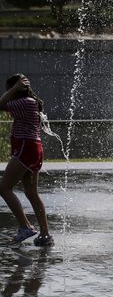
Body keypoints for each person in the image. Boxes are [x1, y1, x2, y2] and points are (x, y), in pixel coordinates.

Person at [0, 75, 54, 246]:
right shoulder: (31, 101)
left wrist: (13, 88)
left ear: (15, 88)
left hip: (26, 147)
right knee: (31, 193)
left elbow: (0, 104)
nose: (8, 93)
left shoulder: (23, 102)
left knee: (3, 188)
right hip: (33, 148)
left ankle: (25, 227)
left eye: (9, 89)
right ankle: (45, 235)